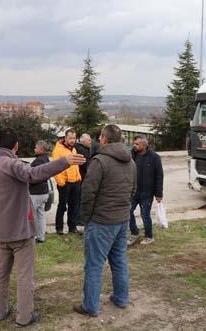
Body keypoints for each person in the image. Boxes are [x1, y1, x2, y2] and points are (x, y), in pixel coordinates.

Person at [0, 128, 85, 327]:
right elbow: (35, 174)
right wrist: (64, 161)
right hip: (20, 232)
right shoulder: (12, 164)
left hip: (0, 232)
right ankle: (24, 317)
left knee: (0, 273)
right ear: (16, 146)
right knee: (24, 276)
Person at [74, 125, 137, 317]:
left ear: (103, 139)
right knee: (119, 261)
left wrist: (87, 218)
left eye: (100, 136)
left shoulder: (99, 161)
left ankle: (90, 306)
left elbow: (87, 192)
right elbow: (133, 190)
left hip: (101, 221)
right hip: (121, 219)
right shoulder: (131, 161)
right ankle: (121, 298)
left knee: (94, 264)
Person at [128, 136, 164, 246]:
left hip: (147, 193)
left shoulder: (154, 157)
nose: (134, 145)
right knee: (128, 212)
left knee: (145, 215)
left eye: (137, 144)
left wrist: (158, 194)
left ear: (144, 145)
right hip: (133, 192)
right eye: (134, 143)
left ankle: (149, 237)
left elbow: (159, 176)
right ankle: (135, 233)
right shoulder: (132, 155)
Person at [52, 129, 82, 235]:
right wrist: (61, 183)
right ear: (65, 138)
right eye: (70, 138)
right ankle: (59, 228)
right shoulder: (58, 150)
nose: (72, 140)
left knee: (74, 206)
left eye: (74, 138)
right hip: (65, 183)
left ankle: (72, 227)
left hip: (75, 181)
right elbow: (55, 168)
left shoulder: (73, 149)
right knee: (62, 206)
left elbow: (75, 165)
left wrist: (79, 178)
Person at [29, 140, 51, 243]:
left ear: (41, 149)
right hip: (44, 192)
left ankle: (32, 236)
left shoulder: (38, 161)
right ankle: (41, 236)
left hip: (35, 192)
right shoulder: (46, 159)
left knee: (31, 216)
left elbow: (31, 176)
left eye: (36, 147)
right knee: (41, 215)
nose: (34, 149)